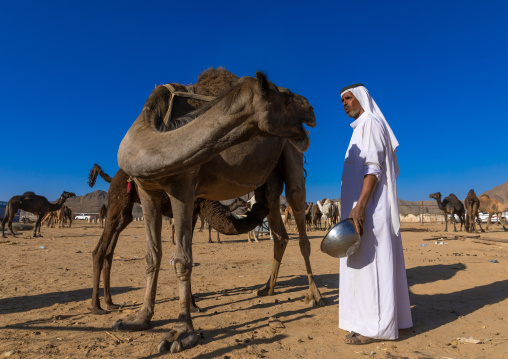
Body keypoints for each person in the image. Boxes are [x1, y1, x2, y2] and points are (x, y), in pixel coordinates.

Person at [338, 83, 413, 344]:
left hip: (368, 210)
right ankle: (383, 320)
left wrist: (360, 206)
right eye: (342, 100)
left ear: (361, 98)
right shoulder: (361, 128)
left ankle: (375, 327)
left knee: (372, 267)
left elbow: (373, 168)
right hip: (363, 209)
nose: (345, 103)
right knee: (366, 266)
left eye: (349, 98)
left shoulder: (370, 123)